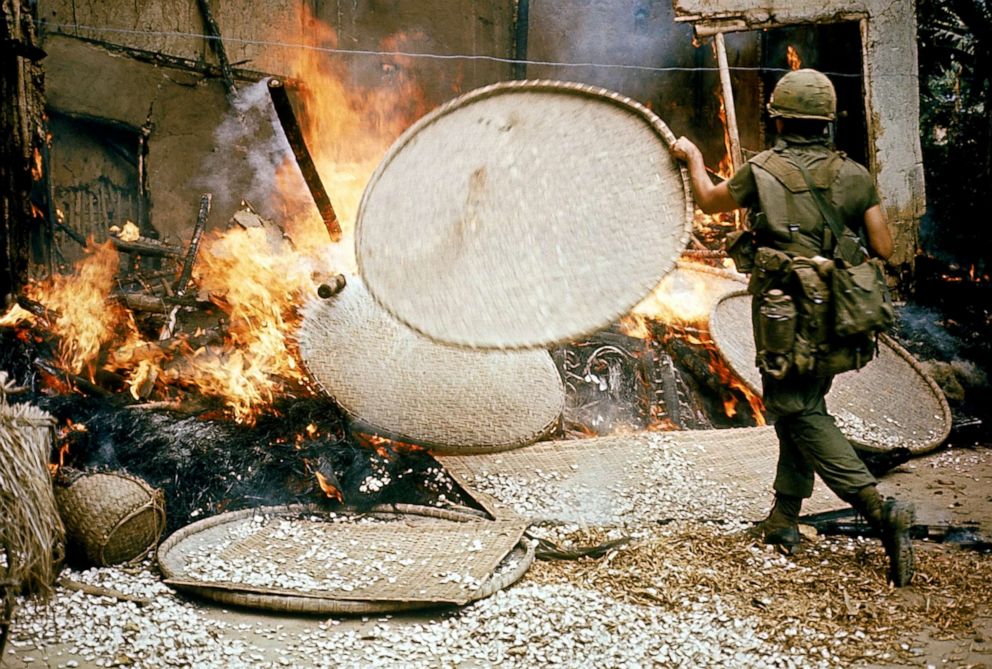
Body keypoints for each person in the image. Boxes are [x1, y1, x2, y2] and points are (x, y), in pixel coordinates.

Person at [669, 68, 915, 586]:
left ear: (778, 118)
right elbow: (884, 249)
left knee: (795, 407)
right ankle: (784, 519)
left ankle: (878, 508)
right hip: (838, 313)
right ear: (828, 122)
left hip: (785, 314)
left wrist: (692, 159)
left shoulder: (762, 169)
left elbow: (711, 202)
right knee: (804, 402)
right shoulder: (854, 175)